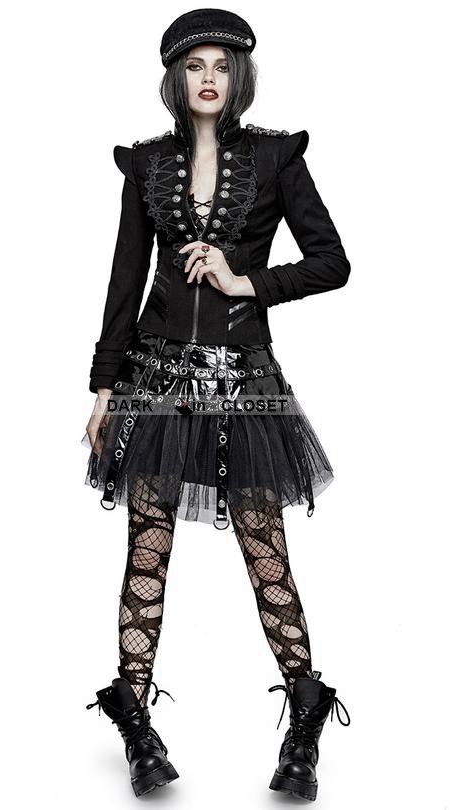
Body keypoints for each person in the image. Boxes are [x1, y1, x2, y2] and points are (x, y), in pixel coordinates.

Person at [82, 8, 351, 800]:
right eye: (195, 64)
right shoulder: (147, 165)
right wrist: (104, 386)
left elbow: (332, 261)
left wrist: (246, 281)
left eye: (222, 65)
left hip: (245, 382)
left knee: (265, 548)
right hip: (156, 379)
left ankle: (305, 717)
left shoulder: (275, 157)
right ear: (176, 77)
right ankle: (136, 724)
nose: (208, 77)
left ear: (239, 77)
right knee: (147, 547)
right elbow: (124, 279)